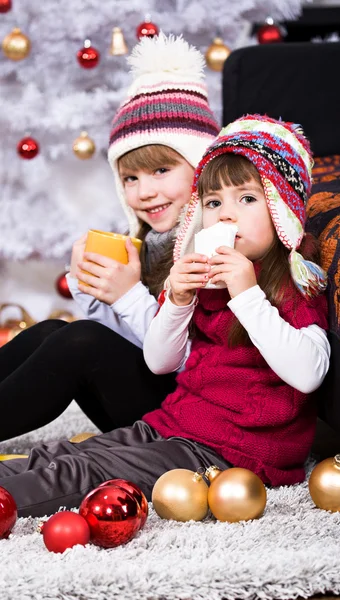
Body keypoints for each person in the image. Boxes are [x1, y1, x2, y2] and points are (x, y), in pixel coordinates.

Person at [0, 115, 330, 518]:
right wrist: (177, 299)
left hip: (230, 451)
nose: (226, 215)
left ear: (280, 208)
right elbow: (160, 361)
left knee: (83, 472)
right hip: (174, 422)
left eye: (246, 199)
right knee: (64, 452)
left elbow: (310, 373)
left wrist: (247, 295)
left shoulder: (293, 280)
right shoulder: (203, 274)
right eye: (213, 203)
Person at [0, 33, 219, 439]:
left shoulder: (215, 244)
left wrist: (127, 296)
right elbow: (123, 341)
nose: (145, 191)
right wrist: (93, 291)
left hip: (196, 419)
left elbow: (186, 360)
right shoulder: (155, 243)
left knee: (81, 341)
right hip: (157, 398)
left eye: (161, 171)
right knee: (54, 332)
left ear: (201, 168)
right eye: (130, 178)